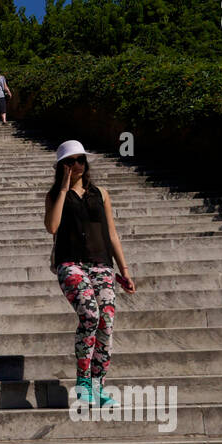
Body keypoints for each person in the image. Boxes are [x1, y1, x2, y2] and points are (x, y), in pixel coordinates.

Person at [44, 141, 136, 407]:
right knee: (90, 314)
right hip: (70, 264)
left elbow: (111, 233)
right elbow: (52, 227)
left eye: (81, 160)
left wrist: (125, 270)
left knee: (106, 322)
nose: (77, 165)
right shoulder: (54, 195)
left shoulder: (101, 194)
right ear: (61, 166)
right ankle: (83, 381)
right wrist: (63, 187)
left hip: (101, 264)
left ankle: (98, 385)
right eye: (70, 161)